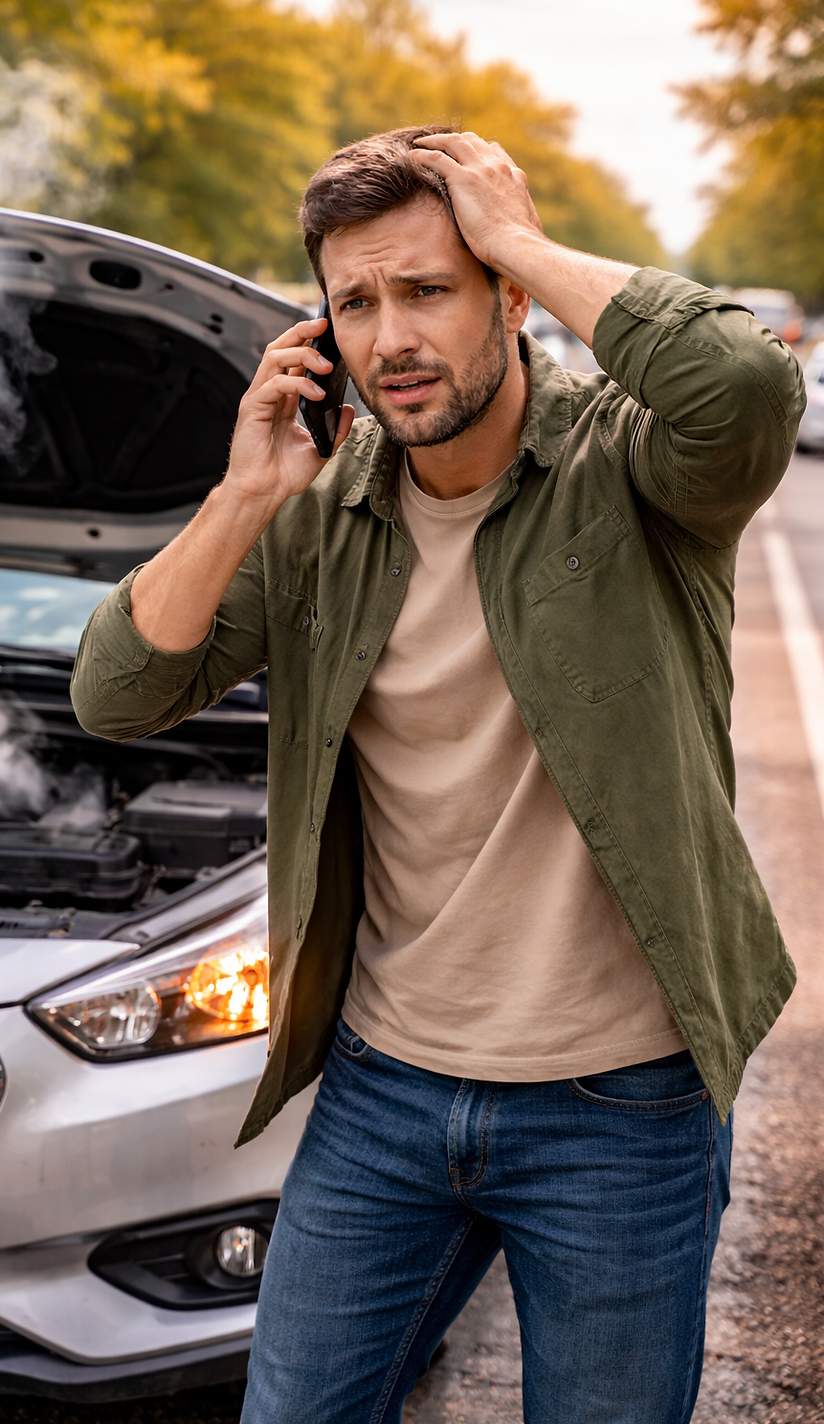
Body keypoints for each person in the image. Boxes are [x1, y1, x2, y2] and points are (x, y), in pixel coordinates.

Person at [71, 127, 805, 1423]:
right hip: (382, 1094)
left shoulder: (635, 466)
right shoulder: (319, 513)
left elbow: (744, 387)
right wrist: (245, 496)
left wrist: (514, 229)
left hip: (621, 1107)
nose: (391, 334)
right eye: (356, 301)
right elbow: (119, 692)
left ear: (508, 299)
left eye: (429, 288)